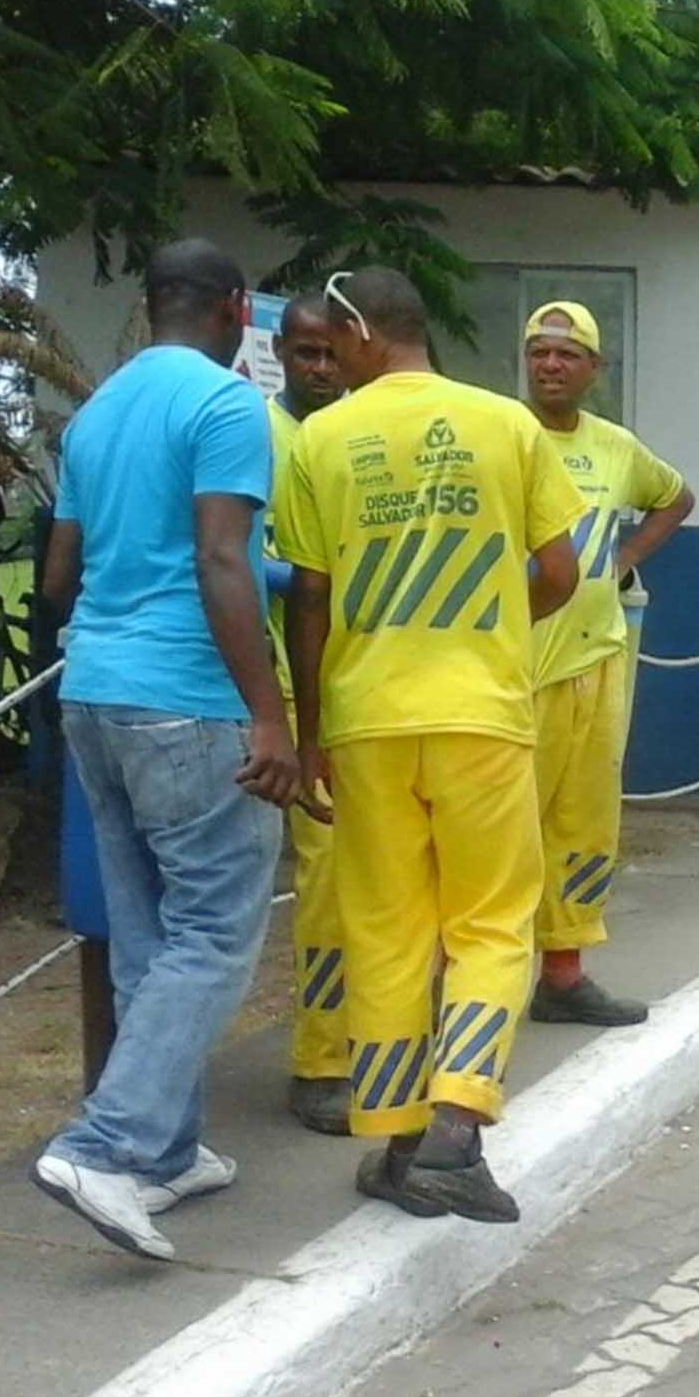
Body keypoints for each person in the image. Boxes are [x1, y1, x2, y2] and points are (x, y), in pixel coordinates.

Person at [281, 267, 584, 1223]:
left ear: (365, 331)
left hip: (366, 720)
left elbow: (310, 596)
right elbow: (561, 571)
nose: (329, 361)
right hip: (480, 713)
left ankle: (399, 1143)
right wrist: (492, 623)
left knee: (386, 928)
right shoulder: (507, 424)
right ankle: (456, 1128)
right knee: (490, 921)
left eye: (335, 341)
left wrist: (309, 736)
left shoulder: (320, 438)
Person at [35, 238, 302, 1262]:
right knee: (213, 936)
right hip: (187, 699)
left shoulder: (97, 414)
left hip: (94, 692)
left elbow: (60, 577)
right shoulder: (228, 405)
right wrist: (269, 718)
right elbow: (220, 558)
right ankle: (105, 1146)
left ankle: (167, 1152)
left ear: (152, 306)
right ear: (237, 309)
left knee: (148, 937)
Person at [519, 302, 694, 1026]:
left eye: (566, 354)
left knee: (586, 826)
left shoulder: (617, 447)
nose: (550, 364)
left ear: (595, 368)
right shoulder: (502, 433)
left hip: (600, 661)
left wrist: (623, 560)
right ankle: (454, 985)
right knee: (501, 831)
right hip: (518, 669)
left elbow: (676, 498)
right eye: (539, 352)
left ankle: (563, 977)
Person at [268, 297, 357, 1136]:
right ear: (280, 352)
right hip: (284, 691)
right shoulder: (258, 436)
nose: (322, 368)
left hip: (363, 690)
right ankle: (322, 1059)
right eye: (307, 353)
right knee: (324, 884)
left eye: (333, 353)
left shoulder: (359, 436)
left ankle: (376, 1034)